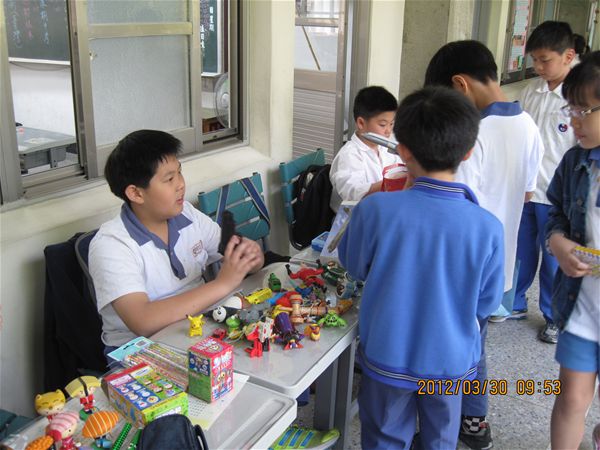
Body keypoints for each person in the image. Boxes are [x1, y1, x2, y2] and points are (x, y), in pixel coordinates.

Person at [338, 86, 504, 449]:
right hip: (450, 362)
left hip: (388, 355)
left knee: (383, 436)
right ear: (468, 151)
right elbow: (488, 303)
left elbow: (354, 266)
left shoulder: (375, 210)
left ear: (403, 150)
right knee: (441, 437)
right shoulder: (488, 227)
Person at [424, 40, 544, 450]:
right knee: (475, 342)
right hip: (500, 262)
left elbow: (449, 206)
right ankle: (474, 421)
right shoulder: (528, 125)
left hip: (460, 265)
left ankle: (450, 422)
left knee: (453, 348)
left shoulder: (471, 134)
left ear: (460, 85)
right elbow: (527, 194)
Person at [89, 130, 264, 350]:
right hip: (141, 351)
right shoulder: (111, 245)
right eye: (169, 179)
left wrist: (251, 257)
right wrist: (223, 284)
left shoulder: (187, 215)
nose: (180, 184)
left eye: (179, 172)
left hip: (200, 328)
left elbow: (237, 254)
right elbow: (143, 320)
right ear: (136, 193)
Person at [546, 51, 600, 450]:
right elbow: (557, 214)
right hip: (583, 307)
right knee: (571, 399)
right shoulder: (575, 161)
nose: (574, 120)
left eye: (584, 110)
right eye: (572, 109)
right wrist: (558, 242)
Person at [515, 21, 577, 344]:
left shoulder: (580, 93)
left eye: (545, 60)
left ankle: (554, 316)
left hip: (557, 194)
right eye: (534, 60)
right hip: (526, 188)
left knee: (553, 257)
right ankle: (513, 302)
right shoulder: (531, 91)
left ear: (568, 56)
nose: (539, 67)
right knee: (521, 250)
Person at [329, 85, 400, 212]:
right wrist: (391, 183)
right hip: (356, 219)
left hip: (382, 212)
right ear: (361, 123)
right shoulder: (349, 155)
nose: (388, 131)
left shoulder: (385, 148)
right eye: (383, 125)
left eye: (391, 124)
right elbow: (353, 193)